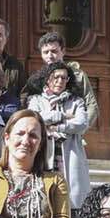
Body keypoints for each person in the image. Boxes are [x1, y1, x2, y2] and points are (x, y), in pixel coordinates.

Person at [28, 62, 90, 206]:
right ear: (47, 79)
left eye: (64, 78)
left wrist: (58, 128)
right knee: (45, 196)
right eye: (56, 77)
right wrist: (62, 115)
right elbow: (35, 118)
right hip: (44, 152)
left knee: (71, 199)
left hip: (69, 153)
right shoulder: (36, 100)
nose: (60, 81)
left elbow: (81, 123)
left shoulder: (77, 101)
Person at [20, 31, 98, 129]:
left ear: (63, 51)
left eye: (54, 51)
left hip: (72, 131)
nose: (50, 56)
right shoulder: (36, 79)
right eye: (45, 52)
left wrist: (82, 128)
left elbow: (91, 105)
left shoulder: (78, 76)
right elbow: (26, 104)